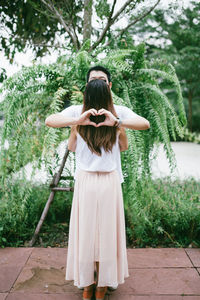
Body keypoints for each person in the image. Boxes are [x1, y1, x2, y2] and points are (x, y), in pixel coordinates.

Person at [45, 66, 150, 300]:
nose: (98, 82)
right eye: (93, 79)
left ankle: (103, 284)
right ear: (86, 86)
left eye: (102, 79)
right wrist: (77, 120)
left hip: (110, 180)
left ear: (109, 86)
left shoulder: (118, 111)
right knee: (87, 233)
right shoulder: (76, 110)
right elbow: (50, 120)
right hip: (85, 180)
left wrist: (117, 122)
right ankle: (87, 283)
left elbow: (145, 124)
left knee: (107, 234)